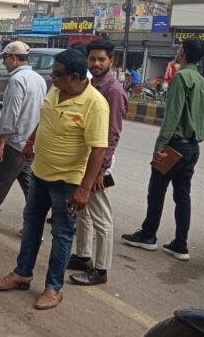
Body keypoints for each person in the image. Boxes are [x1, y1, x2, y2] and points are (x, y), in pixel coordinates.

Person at [0, 50, 108, 310]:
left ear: (75, 77)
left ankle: (54, 288)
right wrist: (30, 141)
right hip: (40, 172)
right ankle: (22, 273)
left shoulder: (95, 104)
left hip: (67, 181)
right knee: (31, 224)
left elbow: (99, 150)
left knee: (61, 234)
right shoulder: (56, 89)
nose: (51, 77)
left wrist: (84, 188)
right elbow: (44, 117)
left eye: (57, 74)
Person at [122, 38, 204, 261]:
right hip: (192, 147)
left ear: (183, 53)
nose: (177, 51)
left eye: (180, 48)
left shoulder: (181, 77)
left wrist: (160, 146)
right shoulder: (202, 81)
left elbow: (173, 115)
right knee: (183, 195)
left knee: (156, 191)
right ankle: (181, 243)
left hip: (174, 145)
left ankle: (148, 235)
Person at [68, 40, 127, 286]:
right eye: (92, 59)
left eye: (101, 59)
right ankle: (83, 256)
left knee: (101, 217)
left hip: (99, 161)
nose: (96, 64)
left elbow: (112, 134)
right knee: (82, 210)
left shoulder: (113, 91)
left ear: (111, 60)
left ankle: (101, 269)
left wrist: (101, 170)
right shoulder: (91, 85)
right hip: (85, 158)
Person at [0, 41, 46, 228]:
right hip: (31, 140)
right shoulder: (38, 79)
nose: (4, 62)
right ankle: (34, 222)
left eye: (5, 58)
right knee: (29, 184)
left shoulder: (17, 80)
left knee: (2, 179)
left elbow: (11, 113)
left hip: (16, 140)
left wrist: (2, 141)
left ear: (14, 58)